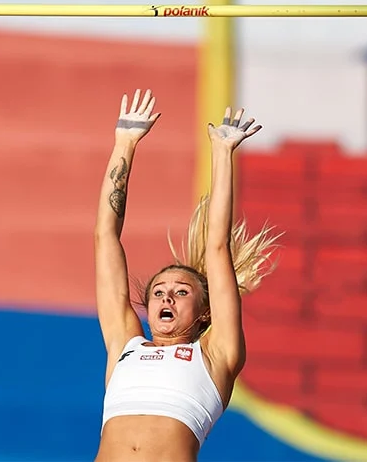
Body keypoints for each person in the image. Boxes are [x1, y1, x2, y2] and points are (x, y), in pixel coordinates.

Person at [94, 89, 281, 461]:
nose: (166, 296)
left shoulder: (216, 354)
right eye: (158, 291)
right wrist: (125, 144)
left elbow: (217, 247)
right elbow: (105, 237)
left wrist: (222, 154)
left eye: (181, 292)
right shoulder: (124, 346)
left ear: (205, 312)